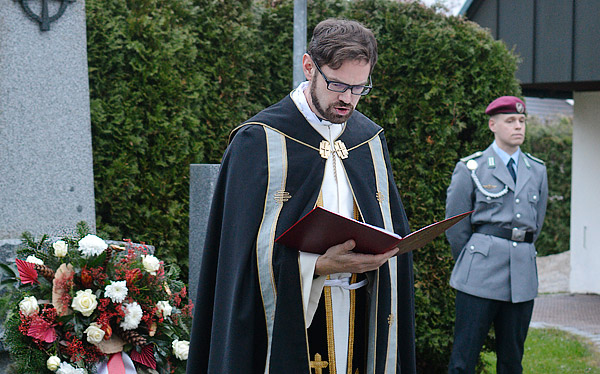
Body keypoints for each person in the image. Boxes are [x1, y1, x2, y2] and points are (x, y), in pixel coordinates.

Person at [186, 18, 416, 374]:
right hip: (291, 325)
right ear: (309, 66)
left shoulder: (368, 140)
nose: (347, 99)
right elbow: (237, 264)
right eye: (337, 84)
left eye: (359, 88)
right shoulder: (259, 140)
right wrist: (316, 267)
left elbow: (389, 228)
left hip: (360, 311)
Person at [445, 96, 548, 374]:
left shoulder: (537, 170)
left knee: (512, 360)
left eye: (522, 121)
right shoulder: (472, 168)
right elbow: (456, 225)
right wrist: (472, 259)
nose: (518, 126)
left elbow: (536, 223)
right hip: (480, 273)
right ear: (492, 125)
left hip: (522, 275)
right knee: (463, 359)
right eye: (510, 121)